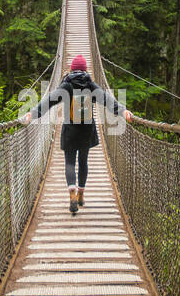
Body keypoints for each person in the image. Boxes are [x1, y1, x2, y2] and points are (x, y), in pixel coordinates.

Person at [20, 54, 132, 214]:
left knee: (70, 163)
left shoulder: (66, 85)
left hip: (70, 130)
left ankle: (71, 194)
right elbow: (106, 99)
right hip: (87, 130)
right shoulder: (90, 85)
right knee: (83, 162)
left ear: (71, 70)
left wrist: (32, 113)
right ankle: (81, 194)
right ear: (86, 70)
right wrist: (122, 111)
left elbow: (49, 100)